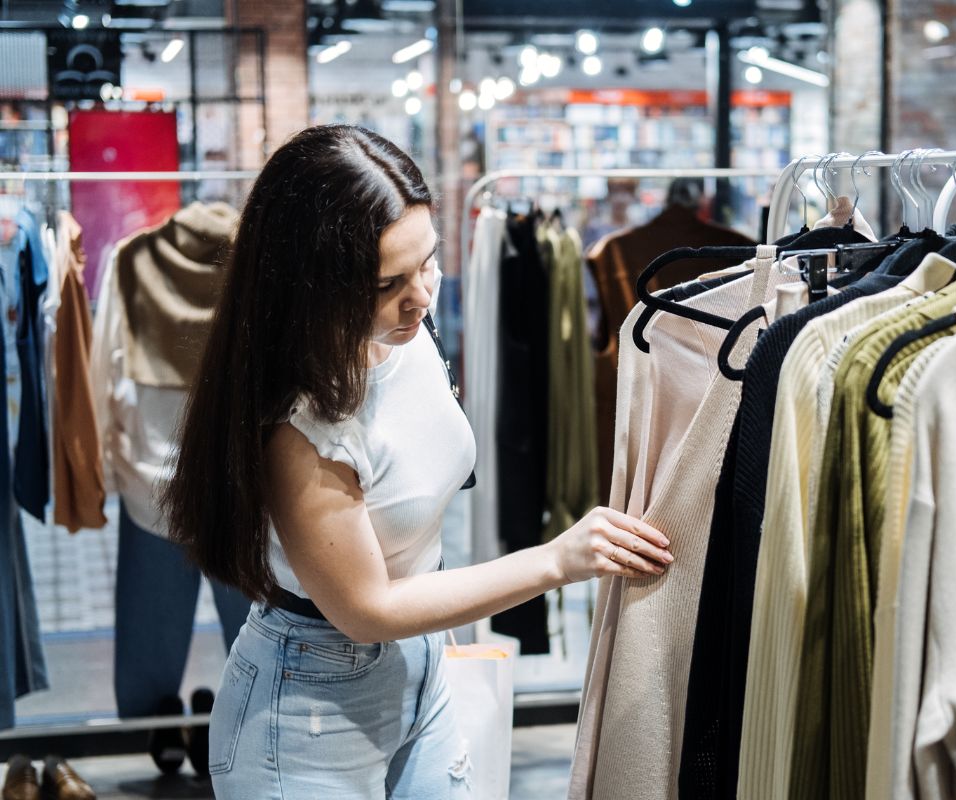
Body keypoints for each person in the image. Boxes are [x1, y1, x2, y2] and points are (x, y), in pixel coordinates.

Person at [161, 124, 673, 798]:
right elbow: (366, 608)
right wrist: (558, 559)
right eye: (387, 283)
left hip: (422, 666)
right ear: (312, 284)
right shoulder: (299, 422)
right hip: (310, 709)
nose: (422, 296)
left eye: (427, 262)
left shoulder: (409, 330)